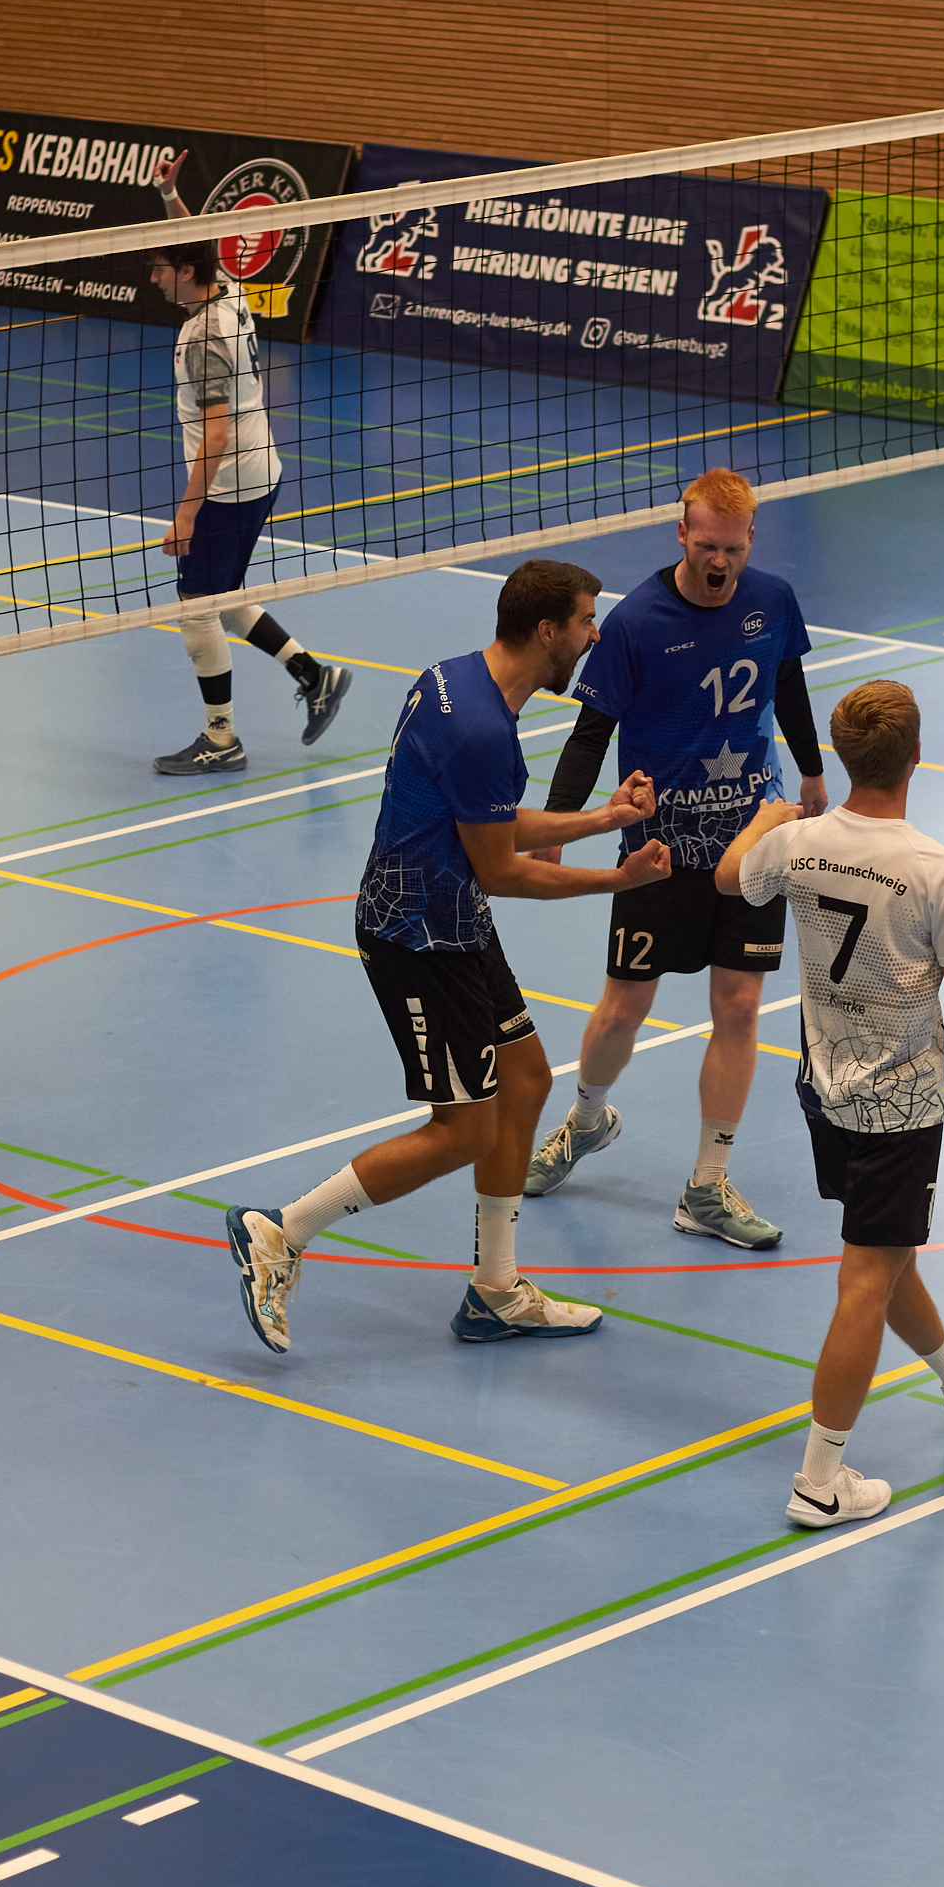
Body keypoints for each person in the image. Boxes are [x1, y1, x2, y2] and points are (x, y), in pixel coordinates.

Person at [226, 557, 670, 1355]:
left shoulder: (455, 681)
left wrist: (603, 820)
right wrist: (619, 878)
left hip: (453, 921)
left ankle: (495, 1291)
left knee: (526, 1080)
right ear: (547, 631)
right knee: (463, 1130)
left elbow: (490, 822)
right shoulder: (479, 729)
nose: (593, 636)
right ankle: (280, 1231)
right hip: (417, 941)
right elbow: (500, 869)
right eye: (585, 621)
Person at [714, 678, 944, 1527]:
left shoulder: (796, 843)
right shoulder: (936, 868)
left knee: (882, 1247)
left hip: (822, 1089)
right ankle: (819, 1481)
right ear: (915, 756)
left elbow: (727, 877)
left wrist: (764, 819)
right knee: (865, 1274)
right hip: (899, 1107)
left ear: (840, 756)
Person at [522, 466, 828, 1249]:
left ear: (750, 538)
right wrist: (560, 823)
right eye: (706, 546)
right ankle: (584, 1120)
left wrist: (811, 769)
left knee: (739, 1007)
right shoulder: (636, 621)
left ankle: (707, 1184)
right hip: (659, 846)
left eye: (732, 548)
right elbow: (590, 733)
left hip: (753, 836)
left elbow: (787, 682)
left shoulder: (772, 601)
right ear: (681, 534)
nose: (719, 562)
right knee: (624, 1007)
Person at [147, 149, 348, 777]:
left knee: (194, 607)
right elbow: (197, 242)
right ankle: (313, 676)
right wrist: (169, 196)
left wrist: (187, 513)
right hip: (263, 474)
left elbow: (216, 434)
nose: (153, 279)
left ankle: (222, 737)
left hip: (228, 486)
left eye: (160, 269)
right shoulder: (229, 294)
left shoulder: (203, 337)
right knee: (224, 594)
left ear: (186, 272)